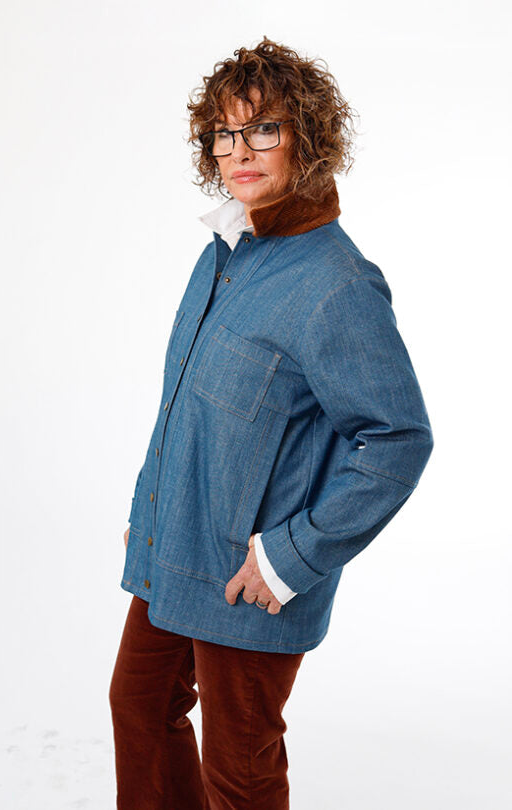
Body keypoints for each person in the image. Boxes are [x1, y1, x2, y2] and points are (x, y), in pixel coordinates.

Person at [109, 36, 434, 810]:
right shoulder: (225, 250)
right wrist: (151, 510)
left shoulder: (337, 283)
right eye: (225, 133)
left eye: (263, 128)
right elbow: (185, 405)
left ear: (307, 139)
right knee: (140, 707)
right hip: (176, 548)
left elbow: (397, 442)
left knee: (239, 772)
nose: (239, 151)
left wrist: (291, 557)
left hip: (252, 583)